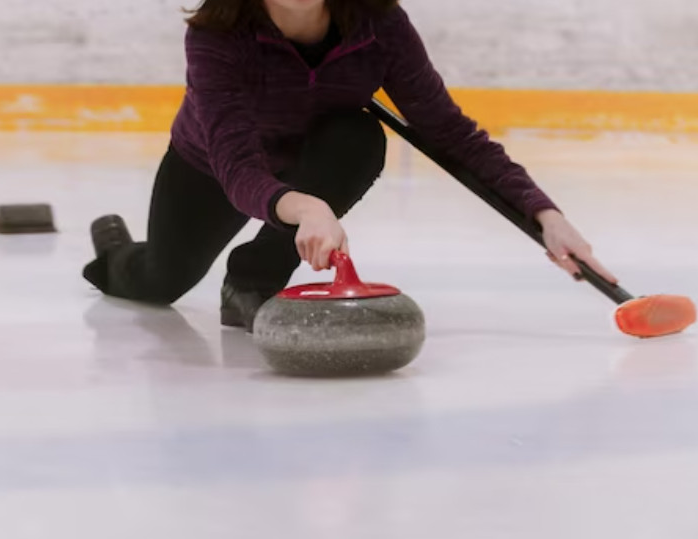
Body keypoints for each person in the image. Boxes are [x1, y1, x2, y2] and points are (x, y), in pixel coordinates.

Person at [82, 0, 617, 331]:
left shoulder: (377, 23)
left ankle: (252, 282)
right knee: (160, 281)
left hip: (315, 157)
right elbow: (236, 164)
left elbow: (450, 131)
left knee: (360, 137)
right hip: (212, 168)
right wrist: (305, 206)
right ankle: (114, 249)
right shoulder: (218, 33)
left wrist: (543, 213)